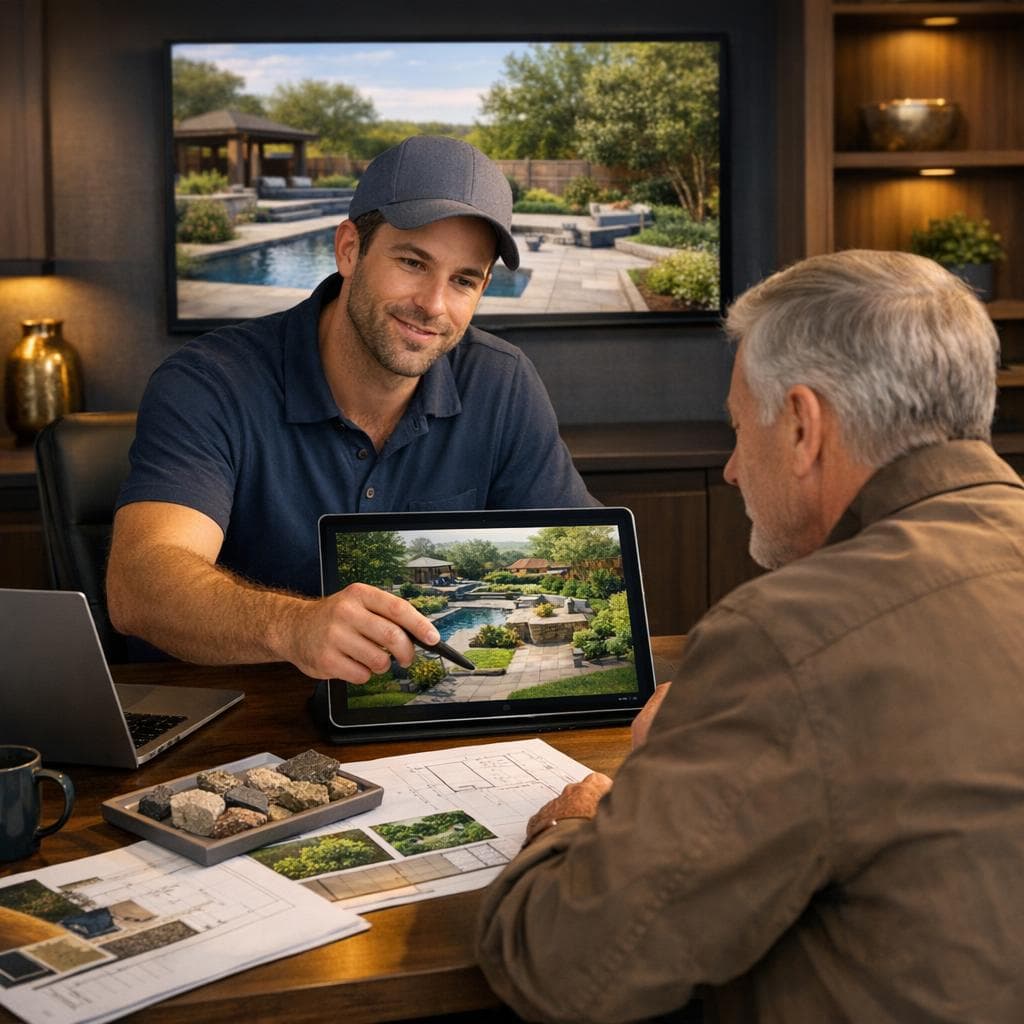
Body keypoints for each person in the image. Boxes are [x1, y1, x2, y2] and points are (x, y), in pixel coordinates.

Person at [475, 249, 1024, 1023]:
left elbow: (562, 966)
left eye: (739, 428)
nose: (731, 469)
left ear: (802, 426)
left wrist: (580, 818)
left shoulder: (790, 636)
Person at [106, 136, 595, 681]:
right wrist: (294, 626)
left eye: (463, 280)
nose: (434, 305)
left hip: (416, 736)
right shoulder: (209, 384)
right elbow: (139, 586)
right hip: (234, 730)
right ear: (348, 250)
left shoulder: (502, 383)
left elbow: (592, 555)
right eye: (412, 262)